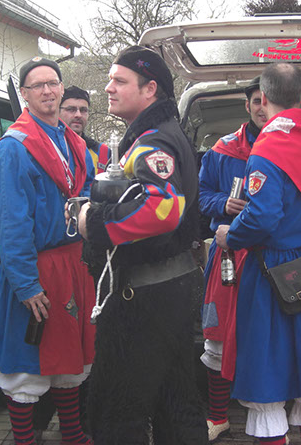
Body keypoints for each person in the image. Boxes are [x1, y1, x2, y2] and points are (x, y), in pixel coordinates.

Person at [76, 45, 207, 445]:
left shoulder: (153, 142)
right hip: (170, 291)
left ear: (150, 89)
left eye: (119, 81)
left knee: (115, 412)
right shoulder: (163, 134)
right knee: (176, 406)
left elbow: (163, 209)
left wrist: (92, 222)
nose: (108, 88)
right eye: (110, 80)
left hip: (143, 301)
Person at [214, 62, 301, 445]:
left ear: (264, 98)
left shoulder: (268, 147)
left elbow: (263, 216)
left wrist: (230, 236)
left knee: (267, 376)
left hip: (271, 271)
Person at [0, 57, 95, 445]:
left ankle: (73, 434)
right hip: (38, 267)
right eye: (37, 86)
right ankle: (24, 440)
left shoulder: (74, 142)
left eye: (53, 83)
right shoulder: (14, 148)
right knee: (26, 366)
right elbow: (10, 222)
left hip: (74, 264)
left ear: (61, 88)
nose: (47, 91)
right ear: (25, 95)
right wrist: (26, 284)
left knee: (69, 359)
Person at [198, 76, 268, 441]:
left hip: (273, 258)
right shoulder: (222, 150)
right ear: (247, 105)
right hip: (228, 256)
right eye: (256, 101)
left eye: (268, 100)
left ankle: (269, 417)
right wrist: (223, 203)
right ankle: (218, 416)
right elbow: (200, 195)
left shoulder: (291, 148)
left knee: (267, 337)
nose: (262, 107)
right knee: (218, 335)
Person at [59, 86, 109, 175]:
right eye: (71, 109)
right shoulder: (48, 149)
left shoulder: (103, 152)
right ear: (57, 112)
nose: (78, 115)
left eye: (83, 110)